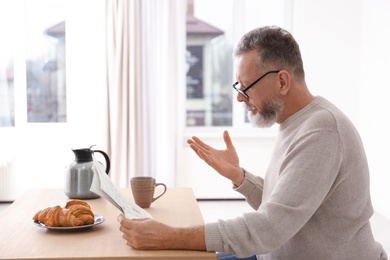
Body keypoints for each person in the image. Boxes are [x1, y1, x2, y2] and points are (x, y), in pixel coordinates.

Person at [117, 25, 388, 260]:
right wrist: (239, 176)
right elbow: (283, 207)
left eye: (245, 87)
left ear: (282, 81)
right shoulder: (296, 123)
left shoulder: (322, 132)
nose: (239, 98)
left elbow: (269, 228)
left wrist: (167, 237)